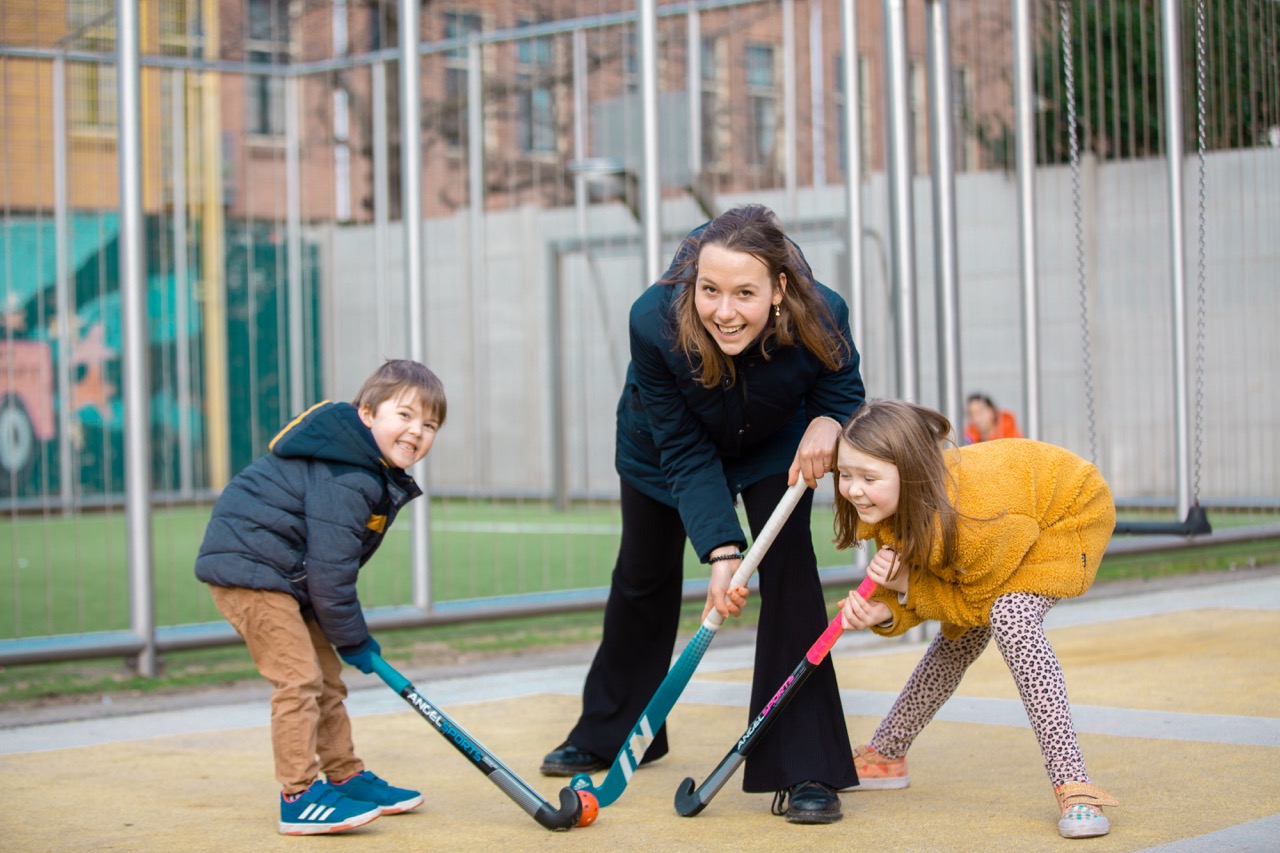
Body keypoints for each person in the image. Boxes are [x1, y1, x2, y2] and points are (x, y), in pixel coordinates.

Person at [540, 204, 864, 824]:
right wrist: (722, 551)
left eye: (745, 293)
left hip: (774, 442)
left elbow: (842, 386)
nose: (723, 310)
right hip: (662, 445)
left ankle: (804, 767)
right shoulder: (653, 321)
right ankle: (618, 729)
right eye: (710, 290)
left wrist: (829, 421)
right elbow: (684, 451)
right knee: (643, 574)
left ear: (780, 291)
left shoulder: (823, 312)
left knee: (792, 573)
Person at [831, 399, 1119, 839]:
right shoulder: (894, 506)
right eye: (845, 474)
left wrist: (907, 583)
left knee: (1010, 615)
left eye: (869, 478)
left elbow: (974, 606)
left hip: (1070, 516)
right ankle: (888, 752)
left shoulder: (975, 519)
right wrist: (886, 610)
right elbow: (927, 591)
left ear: (910, 473)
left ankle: (1074, 784)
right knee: (959, 637)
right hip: (1012, 527)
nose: (853, 490)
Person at [195, 359, 446, 836]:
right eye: (405, 416)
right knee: (298, 678)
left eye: (430, 424)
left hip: (286, 574)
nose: (417, 431)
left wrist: (348, 642)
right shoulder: (348, 475)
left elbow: (328, 568)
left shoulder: (363, 466)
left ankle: (345, 775)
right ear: (367, 414)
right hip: (251, 574)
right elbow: (333, 574)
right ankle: (298, 796)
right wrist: (355, 640)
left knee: (326, 678)